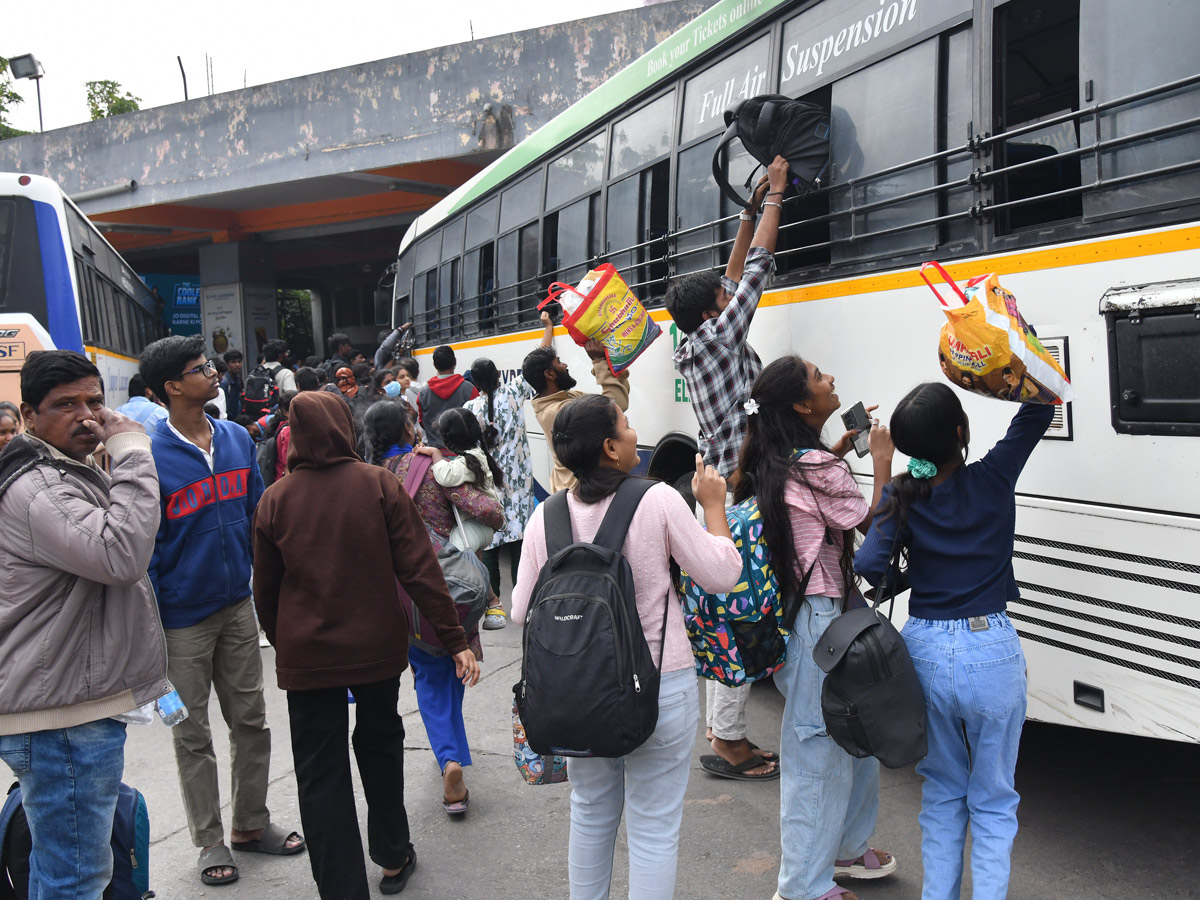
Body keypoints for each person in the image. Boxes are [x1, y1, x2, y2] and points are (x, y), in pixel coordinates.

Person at [512, 393, 743, 900]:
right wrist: (714, 507)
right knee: (654, 827)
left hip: (577, 693)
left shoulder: (546, 516)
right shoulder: (657, 499)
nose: (635, 432)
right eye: (626, 426)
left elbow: (517, 611)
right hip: (660, 684)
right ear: (611, 448)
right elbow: (723, 573)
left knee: (591, 813)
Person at [253, 390, 479, 900]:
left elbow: (264, 591)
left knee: (319, 772)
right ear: (344, 429)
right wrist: (453, 637)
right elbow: (420, 571)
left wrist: (282, 640)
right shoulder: (378, 485)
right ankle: (394, 855)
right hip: (377, 651)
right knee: (380, 747)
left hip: (307, 659)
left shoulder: (276, 499)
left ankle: (341, 888)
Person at [855, 385, 1055, 900]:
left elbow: (870, 565)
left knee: (943, 793)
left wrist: (883, 471)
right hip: (992, 649)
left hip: (923, 651)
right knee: (992, 798)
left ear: (904, 447)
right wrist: (1015, 342)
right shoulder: (994, 476)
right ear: (961, 433)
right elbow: (1039, 408)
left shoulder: (902, 494)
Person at [0, 350, 168, 898]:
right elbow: (122, 555)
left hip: (65, 708)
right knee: (75, 879)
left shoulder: (61, 470)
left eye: (95, 401)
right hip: (62, 720)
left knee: (71, 873)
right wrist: (133, 454)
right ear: (29, 416)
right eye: (65, 405)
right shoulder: (41, 488)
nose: (87, 415)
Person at [139, 335, 305, 887]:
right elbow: (146, 547)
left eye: (209, 365)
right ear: (171, 387)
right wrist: (159, 615)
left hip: (238, 606)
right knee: (190, 733)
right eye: (200, 368)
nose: (212, 373)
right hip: (181, 619)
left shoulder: (235, 437)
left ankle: (250, 825)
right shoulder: (148, 456)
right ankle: (209, 838)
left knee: (251, 722)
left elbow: (261, 517)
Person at [734, 355, 898, 900]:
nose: (830, 379)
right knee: (818, 754)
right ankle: (801, 887)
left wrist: (836, 451)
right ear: (805, 405)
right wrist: (879, 460)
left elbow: (810, 493)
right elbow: (866, 519)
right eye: (819, 376)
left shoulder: (778, 460)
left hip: (807, 620)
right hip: (821, 620)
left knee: (854, 734)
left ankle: (846, 851)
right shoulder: (813, 465)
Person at [664, 157, 789, 778]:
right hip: (734, 494)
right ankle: (730, 739)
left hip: (720, 486)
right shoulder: (717, 338)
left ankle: (724, 730)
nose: (729, 292)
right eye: (723, 297)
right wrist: (775, 202)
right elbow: (757, 274)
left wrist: (745, 213)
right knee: (740, 612)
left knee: (728, 608)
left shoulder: (700, 338)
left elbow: (735, 275)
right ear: (716, 312)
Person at [364, 400, 502, 818]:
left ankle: (450, 756)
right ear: (408, 429)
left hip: (396, 593)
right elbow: (489, 512)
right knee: (452, 664)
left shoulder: (366, 477)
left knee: (428, 675)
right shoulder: (430, 469)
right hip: (448, 584)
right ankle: (451, 760)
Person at [464, 357, 539, 627]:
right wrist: (547, 327)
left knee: (492, 546)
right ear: (498, 375)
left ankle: (494, 609)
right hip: (518, 484)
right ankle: (524, 603)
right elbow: (536, 362)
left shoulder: (469, 408)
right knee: (520, 544)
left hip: (488, 482)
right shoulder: (514, 391)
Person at [523, 311, 630, 493]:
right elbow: (615, 407)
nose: (565, 365)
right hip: (578, 493)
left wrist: (611, 363)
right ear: (549, 375)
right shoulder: (558, 411)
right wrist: (598, 361)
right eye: (559, 363)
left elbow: (616, 400)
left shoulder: (568, 398)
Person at [417, 345, 478, 448]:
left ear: (434, 365)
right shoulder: (469, 389)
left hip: (435, 453)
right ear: (455, 362)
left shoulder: (423, 392)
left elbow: (422, 421)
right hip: (463, 453)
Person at [222, 349, 245, 418]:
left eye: (239, 362)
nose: (237, 365)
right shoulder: (224, 383)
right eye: (233, 362)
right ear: (227, 364)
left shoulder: (239, 381)